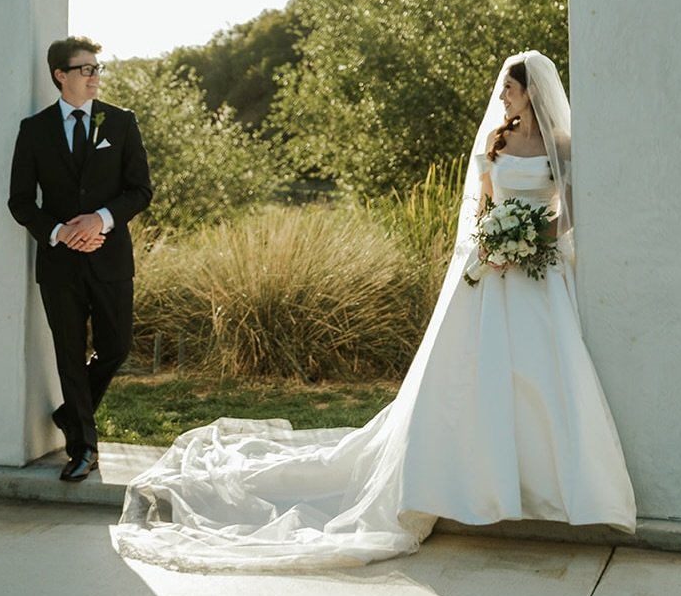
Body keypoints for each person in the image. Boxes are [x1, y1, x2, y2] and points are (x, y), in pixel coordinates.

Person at [114, 50, 634, 569]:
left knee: (541, 376)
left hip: (537, 274)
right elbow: (482, 208)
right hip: (490, 270)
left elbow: (571, 211)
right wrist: (495, 242)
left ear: (533, 92)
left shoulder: (562, 146)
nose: (501, 98)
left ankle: (546, 488)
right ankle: (471, 485)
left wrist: (529, 239)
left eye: (509, 90)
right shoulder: (496, 141)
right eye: (502, 90)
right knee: (474, 374)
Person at [9, 35, 152, 482]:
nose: (94, 76)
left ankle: (72, 413)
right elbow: (20, 201)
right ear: (61, 75)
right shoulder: (34, 130)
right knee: (69, 354)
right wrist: (60, 233)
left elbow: (140, 190)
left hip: (110, 259)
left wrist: (100, 220)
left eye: (96, 69)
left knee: (117, 346)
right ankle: (84, 449)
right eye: (85, 69)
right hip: (59, 265)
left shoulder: (121, 122)